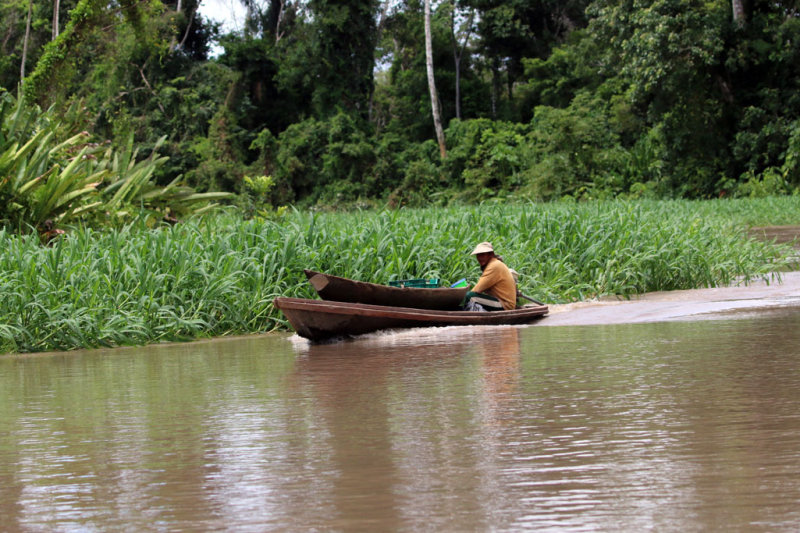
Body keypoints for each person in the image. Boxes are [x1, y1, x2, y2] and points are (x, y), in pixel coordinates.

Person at [463, 241, 517, 311]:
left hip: (505, 304)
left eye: (483, 255)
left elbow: (477, 290)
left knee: (470, 296)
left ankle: (463, 313)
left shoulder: (494, 266)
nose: (480, 258)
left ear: (490, 255)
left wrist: (462, 296)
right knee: (470, 296)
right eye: (478, 255)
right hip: (499, 300)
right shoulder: (493, 264)